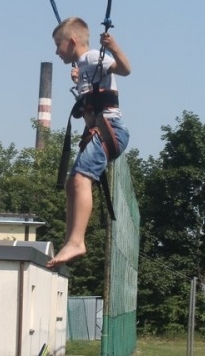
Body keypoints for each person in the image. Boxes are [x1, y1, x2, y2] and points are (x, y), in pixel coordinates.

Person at [47, 16, 131, 268]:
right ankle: (71, 239)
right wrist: (78, 80)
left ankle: (76, 241)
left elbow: (125, 70)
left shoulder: (94, 57)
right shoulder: (85, 66)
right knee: (72, 182)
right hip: (98, 132)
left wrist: (113, 46)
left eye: (58, 45)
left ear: (71, 41)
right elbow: (93, 92)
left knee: (82, 179)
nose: (55, 51)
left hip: (109, 131)